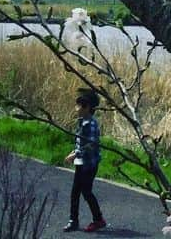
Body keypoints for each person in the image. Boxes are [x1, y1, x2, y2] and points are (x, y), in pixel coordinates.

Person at [63, 88, 108, 233]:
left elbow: (91, 144)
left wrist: (75, 155)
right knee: (75, 192)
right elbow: (80, 142)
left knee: (86, 192)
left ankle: (98, 219)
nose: (76, 109)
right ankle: (73, 220)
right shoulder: (82, 121)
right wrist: (74, 152)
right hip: (81, 163)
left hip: (89, 164)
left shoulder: (92, 124)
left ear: (87, 107)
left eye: (79, 105)